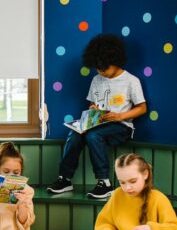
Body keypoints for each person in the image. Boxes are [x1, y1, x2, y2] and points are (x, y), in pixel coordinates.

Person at [47, 34, 147, 199]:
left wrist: (120, 116)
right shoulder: (96, 80)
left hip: (122, 127)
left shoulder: (131, 81)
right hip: (98, 124)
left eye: (104, 68)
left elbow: (142, 108)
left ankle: (104, 183)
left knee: (93, 135)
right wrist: (93, 109)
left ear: (115, 61)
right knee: (74, 134)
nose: (101, 72)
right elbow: (92, 104)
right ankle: (64, 179)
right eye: (98, 68)